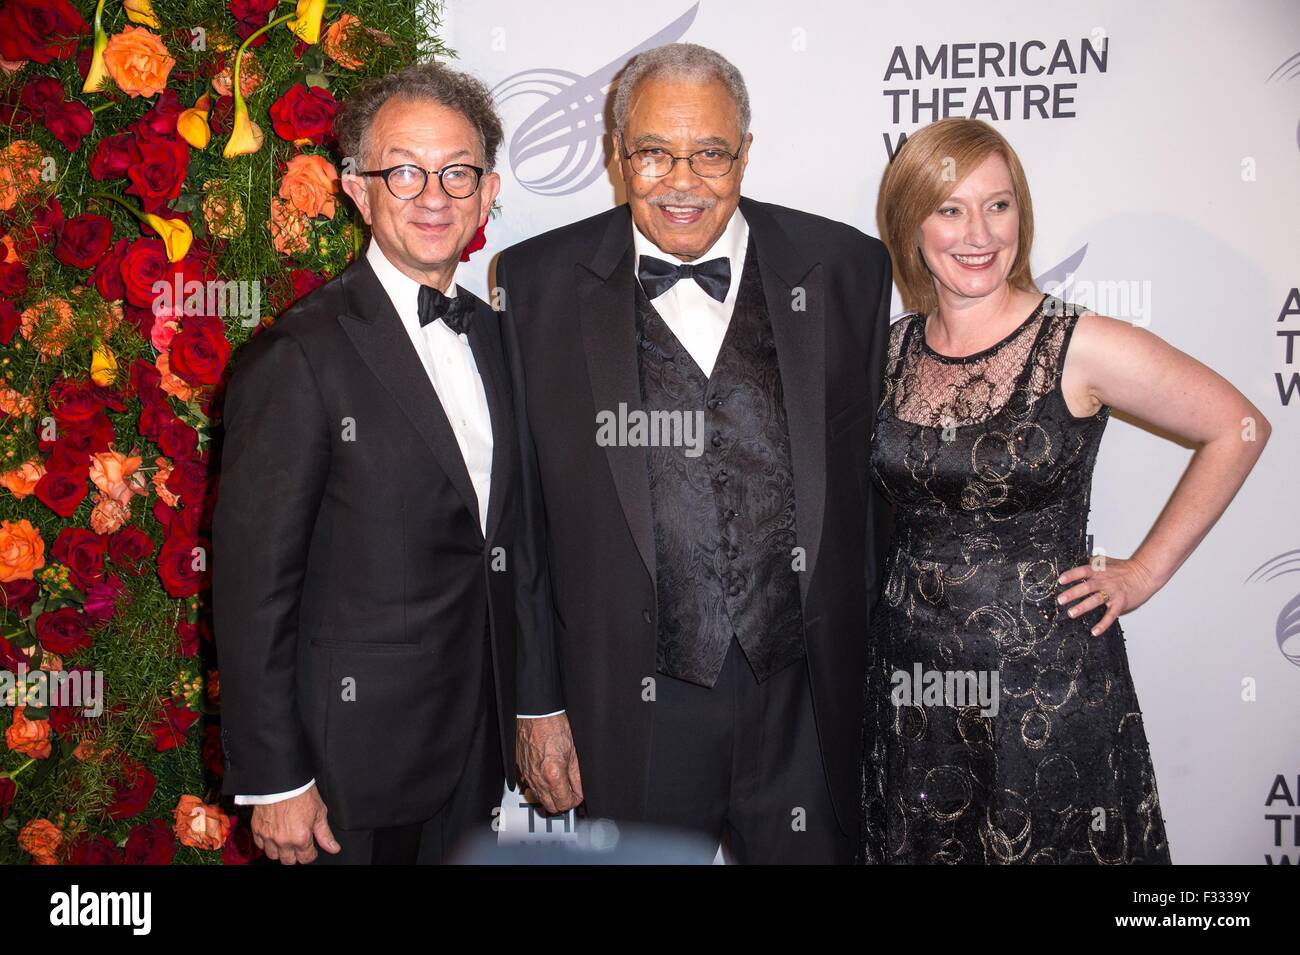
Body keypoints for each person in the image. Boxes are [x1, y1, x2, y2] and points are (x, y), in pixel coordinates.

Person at [497, 42, 893, 863]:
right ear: (616, 155)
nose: (683, 180)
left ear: (745, 153)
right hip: (631, 708)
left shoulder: (848, 268)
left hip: (807, 704)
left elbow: (880, 492)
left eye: (711, 152)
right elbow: (522, 521)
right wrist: (536, 705)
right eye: (654, 152)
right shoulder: (534, 285)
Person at [859, 117, 1272, 864]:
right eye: (949, 208)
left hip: (1042, 692)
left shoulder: (1079, 344)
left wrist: (1143, 570)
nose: (978, 231)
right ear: (909, 224)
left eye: (999, 204)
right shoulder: (887, 350)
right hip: (913, 686)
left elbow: (1237, 426)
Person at [212, 62, 563, 864]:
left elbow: (517, 541)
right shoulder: (297, 355)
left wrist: (535, 706)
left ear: (488, 190)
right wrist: (275, 778)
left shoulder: (497, 336)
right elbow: (251, 585)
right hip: (346, 771)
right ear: (358, 190)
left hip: (474, 753)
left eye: (457, 172)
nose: (433, 196)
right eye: (403, 171)